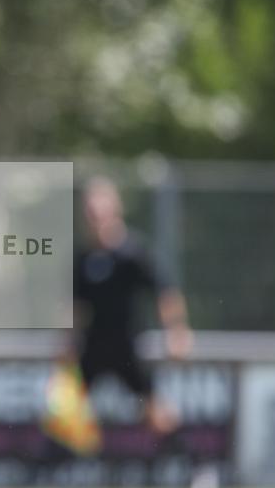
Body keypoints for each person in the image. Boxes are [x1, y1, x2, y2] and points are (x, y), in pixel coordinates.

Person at [71, 176, 192, 435]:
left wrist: (177, 332)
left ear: (115, 211)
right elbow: (77, 306)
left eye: (98, 213)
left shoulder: (132, 253)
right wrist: (68, 339)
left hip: (127, 347)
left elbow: (165, 291)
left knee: (155, 413)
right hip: (92, 347)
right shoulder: (83, 258)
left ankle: (186, 454)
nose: (94, 219)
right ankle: (55, 461)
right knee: (66, 410)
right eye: (89, 213)